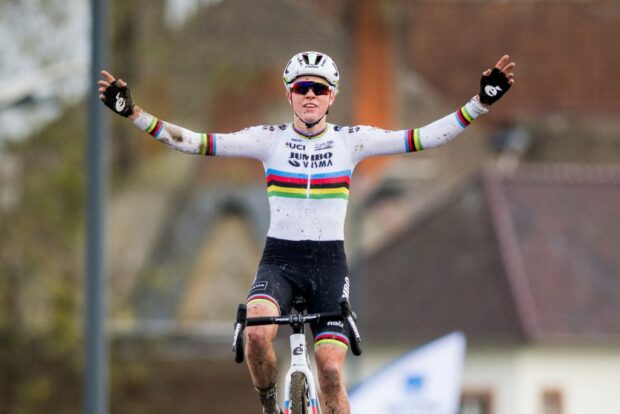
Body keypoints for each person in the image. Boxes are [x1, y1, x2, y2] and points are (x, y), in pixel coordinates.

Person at [99, 51, 515, 414]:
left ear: (332, 95)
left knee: (331, 371)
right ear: (289, 94)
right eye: (302, 88)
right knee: (258, 334)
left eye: (319, 88)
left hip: (328, 264)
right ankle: (267, 403)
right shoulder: (268, 140)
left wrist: (480, 103)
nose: (310, 95)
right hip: (279, 260)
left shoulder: (353, 141)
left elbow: (424, 138)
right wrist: (135, 114)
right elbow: (194, 142)